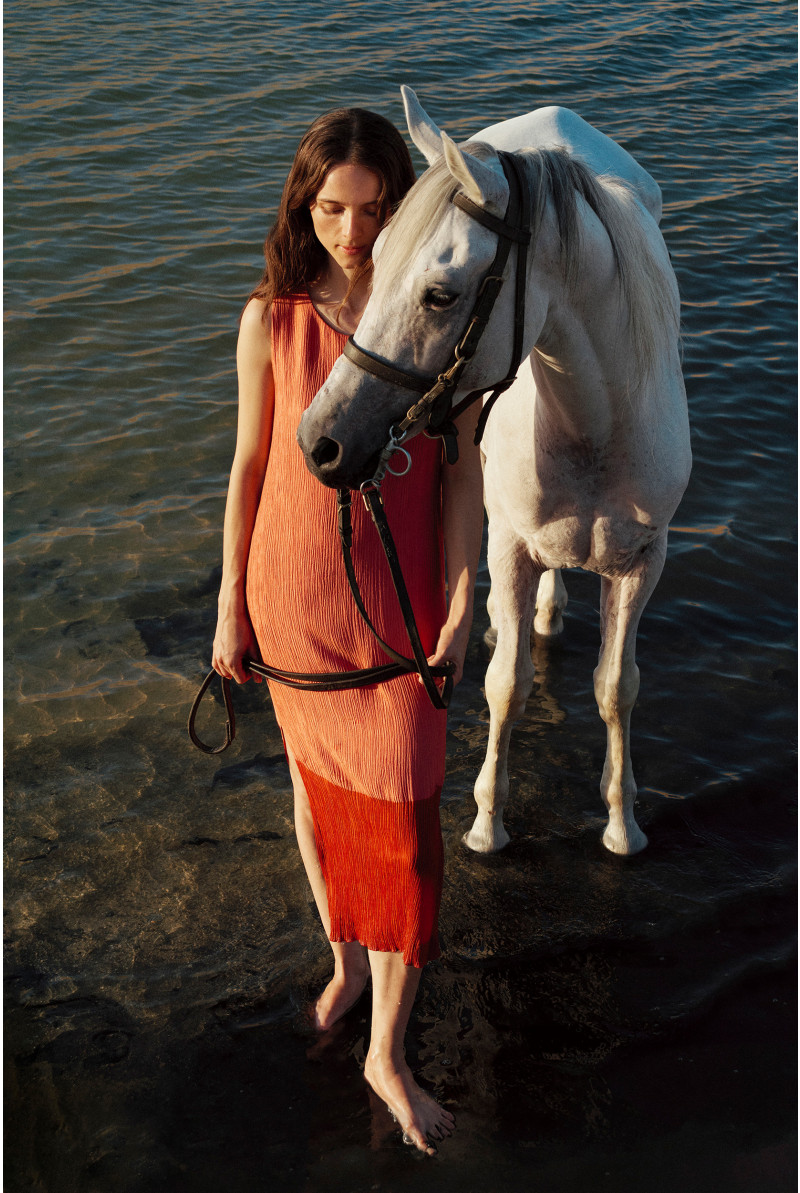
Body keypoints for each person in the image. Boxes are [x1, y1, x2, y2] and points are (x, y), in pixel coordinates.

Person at [211, 106, 484, 1156]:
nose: (352, 231)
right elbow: (246, 467)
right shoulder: (269, 318)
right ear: (303, 203)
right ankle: (345, 963)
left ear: (403, 207)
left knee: (408, 838)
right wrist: (229, 597)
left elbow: (458, 476)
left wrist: (464, 604)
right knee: (318, 804)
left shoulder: (435, 316)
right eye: (331, 208)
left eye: (373, 210)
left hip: (404, 618)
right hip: (291, 599)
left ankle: (388, 1053)